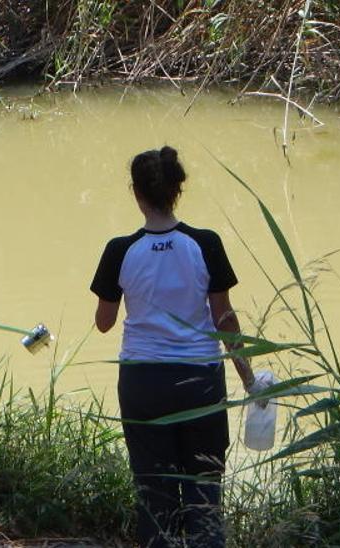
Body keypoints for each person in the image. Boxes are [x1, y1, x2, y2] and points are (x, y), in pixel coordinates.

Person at [89, 146, 255, 547]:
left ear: (136, 193)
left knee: (153, 492)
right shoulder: (206, 243)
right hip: (199, 381)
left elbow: (104, 323)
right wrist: (250, 380)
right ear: (178, 189)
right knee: (203, 492)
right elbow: (225, 319)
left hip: (143, 382)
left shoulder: (119, 250)